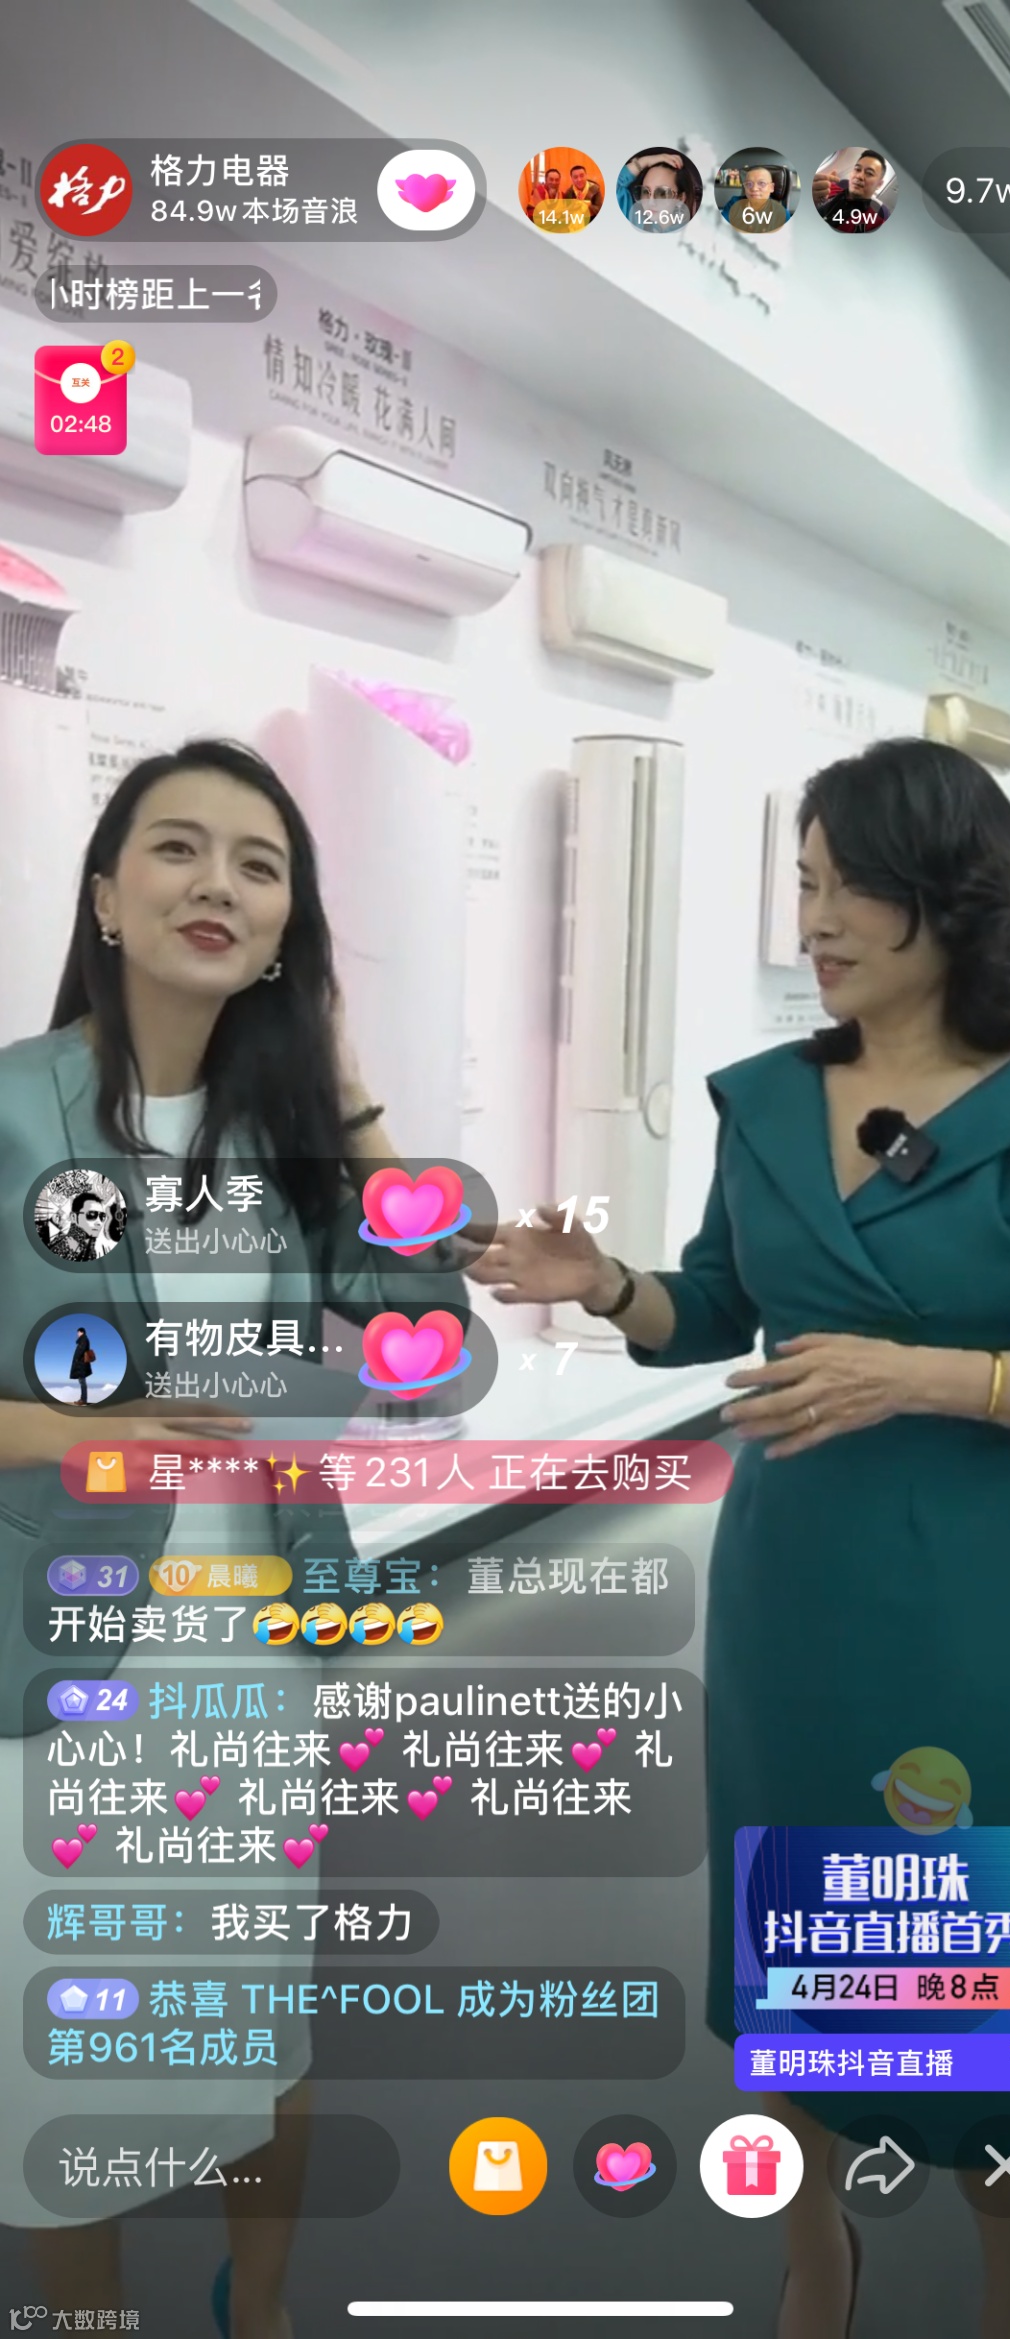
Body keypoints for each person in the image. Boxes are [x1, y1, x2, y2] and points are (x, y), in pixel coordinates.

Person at [462, 737, 1010, 2339]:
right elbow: (717, 1303)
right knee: (793, 1956)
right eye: (804, 883)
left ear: (953, 894)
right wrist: (603, 1285)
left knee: (963, 1956)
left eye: (849, 884)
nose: (816, 918)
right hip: (789, 1585)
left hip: (961, 1586)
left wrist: (926, 1374)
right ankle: (817, 2254)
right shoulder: (768, 1100)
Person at [0, 739, 465, 2335]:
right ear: (106, 896)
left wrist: (344, 1080)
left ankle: (253, 2307)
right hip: (63, 1660)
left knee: (257, 2020)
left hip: (254, 1653)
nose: (217, 883)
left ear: (286, 928)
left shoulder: (285, 1131)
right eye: (178, 848)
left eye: (259, 866)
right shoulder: (13, 1109)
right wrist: (66, 1430)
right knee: (67, 2045)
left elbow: (426, 1341)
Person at [815, 149, 892, 233]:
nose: (859, 176)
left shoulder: (877, 223)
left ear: (879, 184)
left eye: (869, 173)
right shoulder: (829, 188)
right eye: (857, 169)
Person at [40, 1186, 117, 1261]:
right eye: (91, 1215)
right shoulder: (65, 1245)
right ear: (73, 1217)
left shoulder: (91, 1252)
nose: (99, 1222)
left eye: (102, 1216)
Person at [722, 161, 792, 234]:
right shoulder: (734, 203)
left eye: (762, 183)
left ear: (771, 187)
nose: (754, 189)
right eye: (749, 184)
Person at [68, 1323, 93, 1401]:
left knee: (82, 1381)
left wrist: (77, 1359)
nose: (77, 1334)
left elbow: (81, 1350)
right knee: (82, 1381)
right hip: (81, 1364)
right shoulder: (83, 1340)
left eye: (78, 1332)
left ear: (81, 1332)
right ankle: (83, 1399)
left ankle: (83, 1399)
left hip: (81, 1364)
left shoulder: (84, 1339)